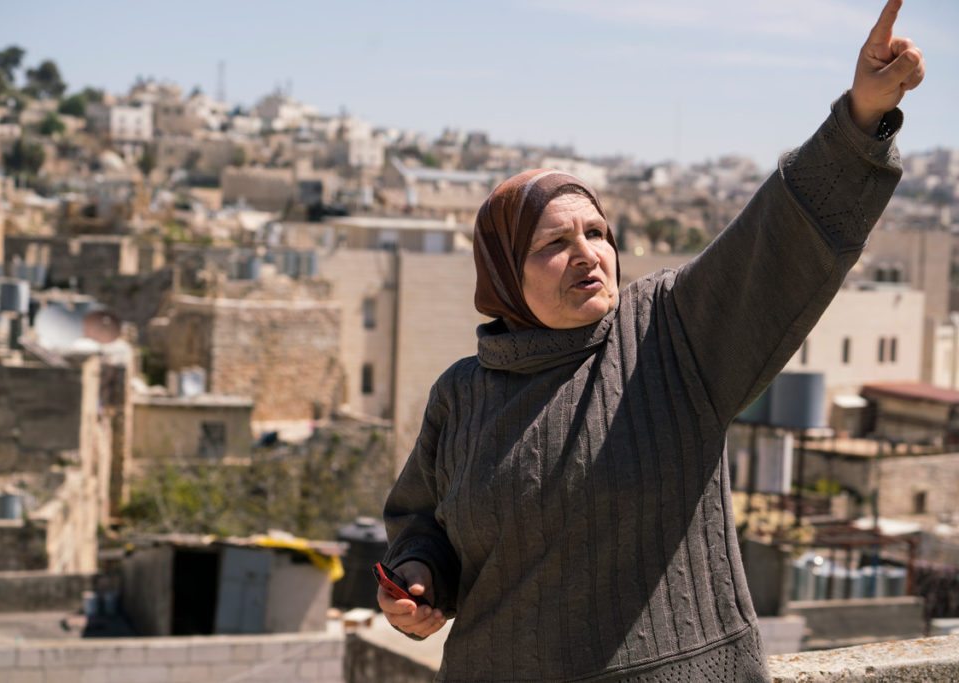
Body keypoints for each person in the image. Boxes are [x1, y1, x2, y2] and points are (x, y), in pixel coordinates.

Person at [377, 1, 926, 680]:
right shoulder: (463, 393)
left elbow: (777, 241)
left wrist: (861, 118)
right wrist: (416, 578)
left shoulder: (668, 335)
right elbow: (421, 522)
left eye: (598, 234)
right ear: (504, 276)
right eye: (554, 243)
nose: (589, 254)